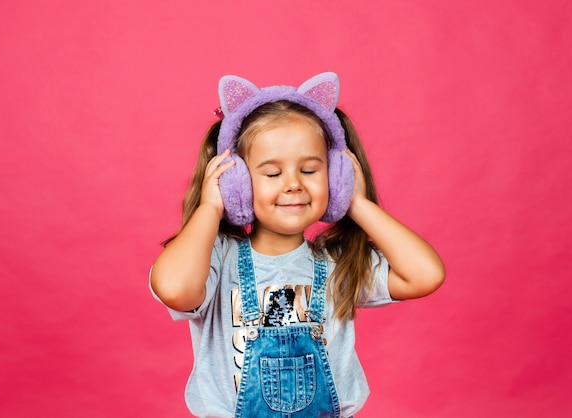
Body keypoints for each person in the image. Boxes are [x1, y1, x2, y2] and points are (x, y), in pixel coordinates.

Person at [149, 72, 445, 417]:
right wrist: (211, 207)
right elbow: (174, 288)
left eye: (310, 170)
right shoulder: (215, 260)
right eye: (272, 174)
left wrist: (360, 203)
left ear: (335, 176)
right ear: (237, 183)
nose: (293, 184)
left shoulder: (338, 265)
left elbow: (426, 275)